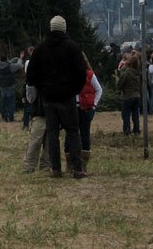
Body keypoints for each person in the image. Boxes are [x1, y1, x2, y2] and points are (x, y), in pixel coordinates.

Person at [25, 15, 88, 179]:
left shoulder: (41, 49)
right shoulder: (72, 48)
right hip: (67, 96)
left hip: (48, 97)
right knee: (73, 131)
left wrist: (43, 88)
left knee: (52, 133)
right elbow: (82, 73)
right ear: (64, 28)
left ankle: (55, 169)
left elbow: (31, 75)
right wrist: (74, 89)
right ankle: (77, 168)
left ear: (51, 28)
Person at [77, 54, 102, 172]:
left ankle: (83, 164)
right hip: (75, 108)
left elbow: (99, 90)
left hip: (87, 108)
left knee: (85, 135)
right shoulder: (71, 75)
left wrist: (94, 105)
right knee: (73, 135)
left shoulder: (90, 75)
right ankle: (73, 162)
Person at [117, 54, 142, 135]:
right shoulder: (138, 73)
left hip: (128, 96)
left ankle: (127, 130)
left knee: (126, 114)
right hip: (137, 95)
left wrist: (119, 86)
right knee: (135, 114)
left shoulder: (127, 72)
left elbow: (120, 83)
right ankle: (136, 130)